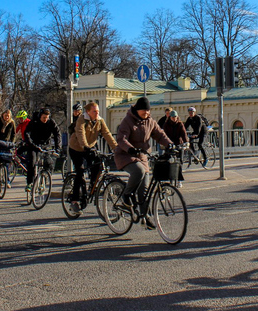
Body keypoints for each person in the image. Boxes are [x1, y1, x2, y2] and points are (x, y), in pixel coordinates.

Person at [113, 97, 172, 228]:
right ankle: (126, 195)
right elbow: (121, 139)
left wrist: (170, 145)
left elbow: (160, 134)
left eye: (148, 110)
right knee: (138, 171)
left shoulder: (150, 121)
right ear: (137, 109)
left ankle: (145, 217)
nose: (146, 113)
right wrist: (130, 149)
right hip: (125, 155)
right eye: (143, 110)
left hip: (142, 156)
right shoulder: (127, 121)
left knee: (144, 188)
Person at [68, 102, 117, 214]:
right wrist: (85, 145)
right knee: (79, 172)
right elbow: (80, 133)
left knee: (98, 165)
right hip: (76, 148)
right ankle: (74, 201)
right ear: (88, 112)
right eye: (94, 111)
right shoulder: (82, 119)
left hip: (89, 147)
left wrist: (117, 149)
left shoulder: (100, 121)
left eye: (98, 111)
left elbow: (107, 134)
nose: (97, 113)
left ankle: (92, 187)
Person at [23, 108, 61, 192]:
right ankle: (29, 183)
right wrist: (31, 144)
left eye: (47, 118)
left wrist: (57, 147)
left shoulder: (51, 123)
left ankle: (44, 180)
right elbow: (27, 133)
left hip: (45, 145)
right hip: (34, 145)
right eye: (44, 117)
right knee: (32, 162)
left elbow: (57, 134)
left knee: (49, 163)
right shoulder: (34, 122)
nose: (45, 119)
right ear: (40, 116)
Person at [163, 110, 187, 188]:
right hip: (170, 144)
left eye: (175, 117)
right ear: (170, 117)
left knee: (179, 162)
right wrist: (166, 143)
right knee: (169, 162)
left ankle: (179, 180)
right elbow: (164, 135)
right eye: (173, 117)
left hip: (178, 144)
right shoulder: (166, 124)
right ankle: (170, 180)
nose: (174, 118)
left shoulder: (180, 124)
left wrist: (186, 142)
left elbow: (184, 134)